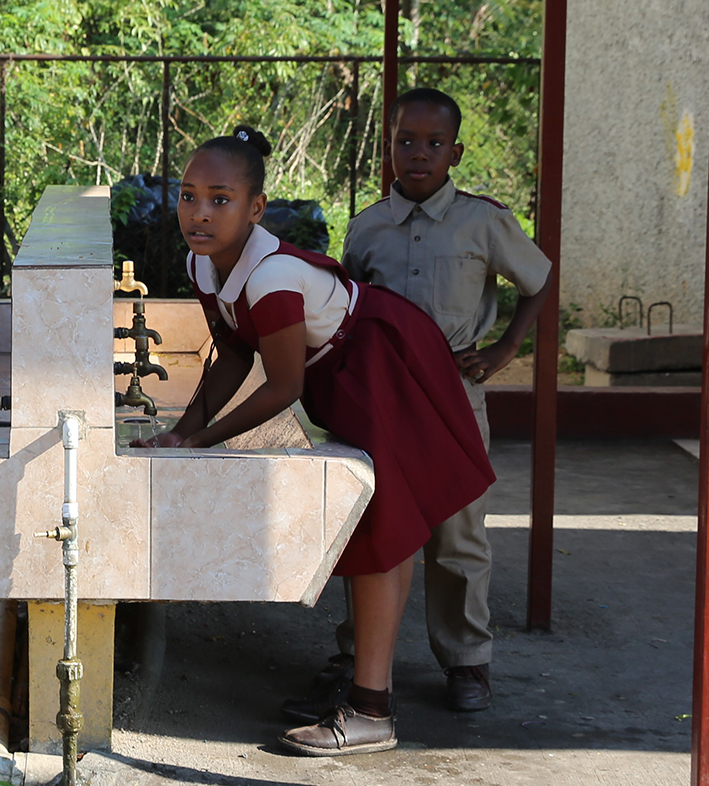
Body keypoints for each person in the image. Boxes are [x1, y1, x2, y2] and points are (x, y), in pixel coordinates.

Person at [133, 125, 495, 755]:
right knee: (380, 527)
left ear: (256, 208)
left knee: (382, 531)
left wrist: (205, 442)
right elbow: (232, 354)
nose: (199, 213)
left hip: (382, 363)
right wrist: (180, 432)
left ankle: (370, 711)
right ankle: (363, 684)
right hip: (346, 369)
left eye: (220, 199)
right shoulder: (204, 260)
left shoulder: (270, 277)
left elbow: (281, 386)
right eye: (189, 196)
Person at [336, 87, 552, 713]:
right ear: (390, 148)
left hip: (456, 394)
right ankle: (357, 655)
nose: (419, 154)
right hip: (383, 399)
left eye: (434, 144)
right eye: (406, 141)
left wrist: (506, 348)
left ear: (456, 151)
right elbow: (349, 306)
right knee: (376, 527)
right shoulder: (368, 226)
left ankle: (466, 661)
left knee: (458, 532)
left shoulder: (484, 221)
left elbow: (536, 280)